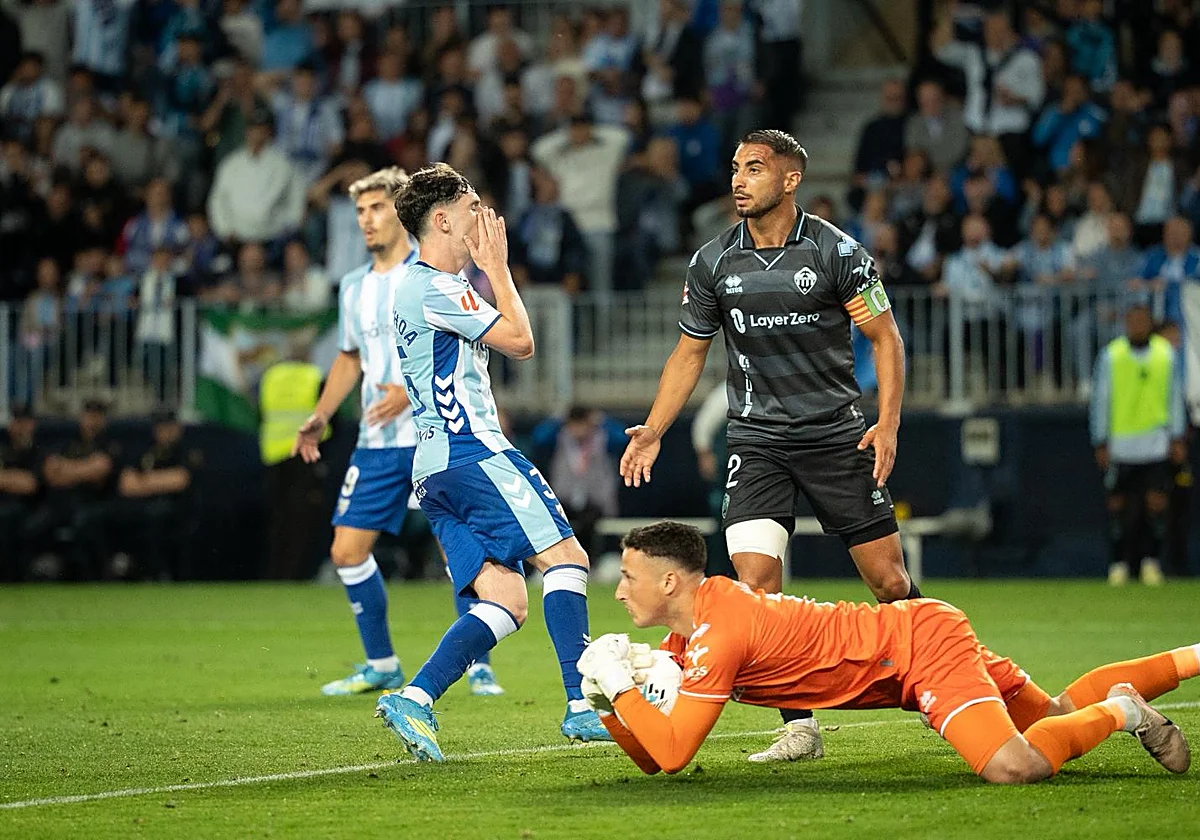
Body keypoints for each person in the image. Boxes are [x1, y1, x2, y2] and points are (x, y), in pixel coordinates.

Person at [619, 129, 916, 762]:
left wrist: (886, 423)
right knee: (756, 588)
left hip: (837, 438)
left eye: (754, 169)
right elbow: (689, 353)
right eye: (734, 168)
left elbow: (886, 339)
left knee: (890, 583)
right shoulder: (712, 262)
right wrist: (654, 427)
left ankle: (945, 672)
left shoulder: (839, 253)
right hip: (757, 444)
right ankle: (800, 725)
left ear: (789, 180)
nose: (738, 180)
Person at [580, 521, 1195, 782]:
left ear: (668, 583)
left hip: (918, 650)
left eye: (629, 576)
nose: (618, 589)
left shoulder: (720, 631)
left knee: (1017, 767)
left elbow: (674, 751)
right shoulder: (691, 634)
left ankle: (1126, 711)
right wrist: (609, 702)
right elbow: (654, 759)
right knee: (1054, 716)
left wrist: (623, 687)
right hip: (912, 636)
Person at [374, 163, 611, 760]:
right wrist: (500, 271)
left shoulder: (416, 286)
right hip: (471, 449)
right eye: (473, 204)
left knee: (506, 598)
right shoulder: (438, 284)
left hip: (432, 467)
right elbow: (522, 342)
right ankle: (580, 704)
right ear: (443, 218)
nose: (486, 216)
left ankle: (416, 697)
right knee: (567, 557)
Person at [292, 166, 504, 698]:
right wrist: (321, 412)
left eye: (377, 207)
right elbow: (349, 358)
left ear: (403, 212)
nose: (367, 220)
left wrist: (408, 393)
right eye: (360, 211)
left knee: (460, 552)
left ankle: (477, 663)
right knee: (346, 551)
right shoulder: (354, 288)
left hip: (432, 435)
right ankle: (382, 662)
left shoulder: (433, 273)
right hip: (377, 444)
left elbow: (464, 353)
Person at [1090, 304, 1187, 586]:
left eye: (1142, 321)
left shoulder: (1165, 354)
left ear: (1150, 323)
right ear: (1125, 324)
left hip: (1156, 443)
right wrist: (1101, 439)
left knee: (1156, 505)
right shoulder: (1112, 356)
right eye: (1132, 321)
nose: (1137, 326)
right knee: (1118, 506)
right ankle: (1118, 563)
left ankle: (1150, 563)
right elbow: (1101, 399)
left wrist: (1177, 436)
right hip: (1121, 444)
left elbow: (1174, 396)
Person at [117, 407, 202, 581]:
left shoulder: (187, 450)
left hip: (178, 510)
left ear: (178, 428)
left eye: (169, 427)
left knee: (155, 516)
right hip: (144, 507)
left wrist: (144, 481)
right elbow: (126, 484)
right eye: (161, 427)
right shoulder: (147, 451)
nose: (164, 432)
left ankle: (160, 574)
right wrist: (158, 481)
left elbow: (180, 480)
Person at [0, 405, 42, 581]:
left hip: (30, 507)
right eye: (16, 421)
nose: (19, 426)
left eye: (24, 421)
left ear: (33, 424)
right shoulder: (3, 450)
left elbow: (30, 484)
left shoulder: (39, 451)